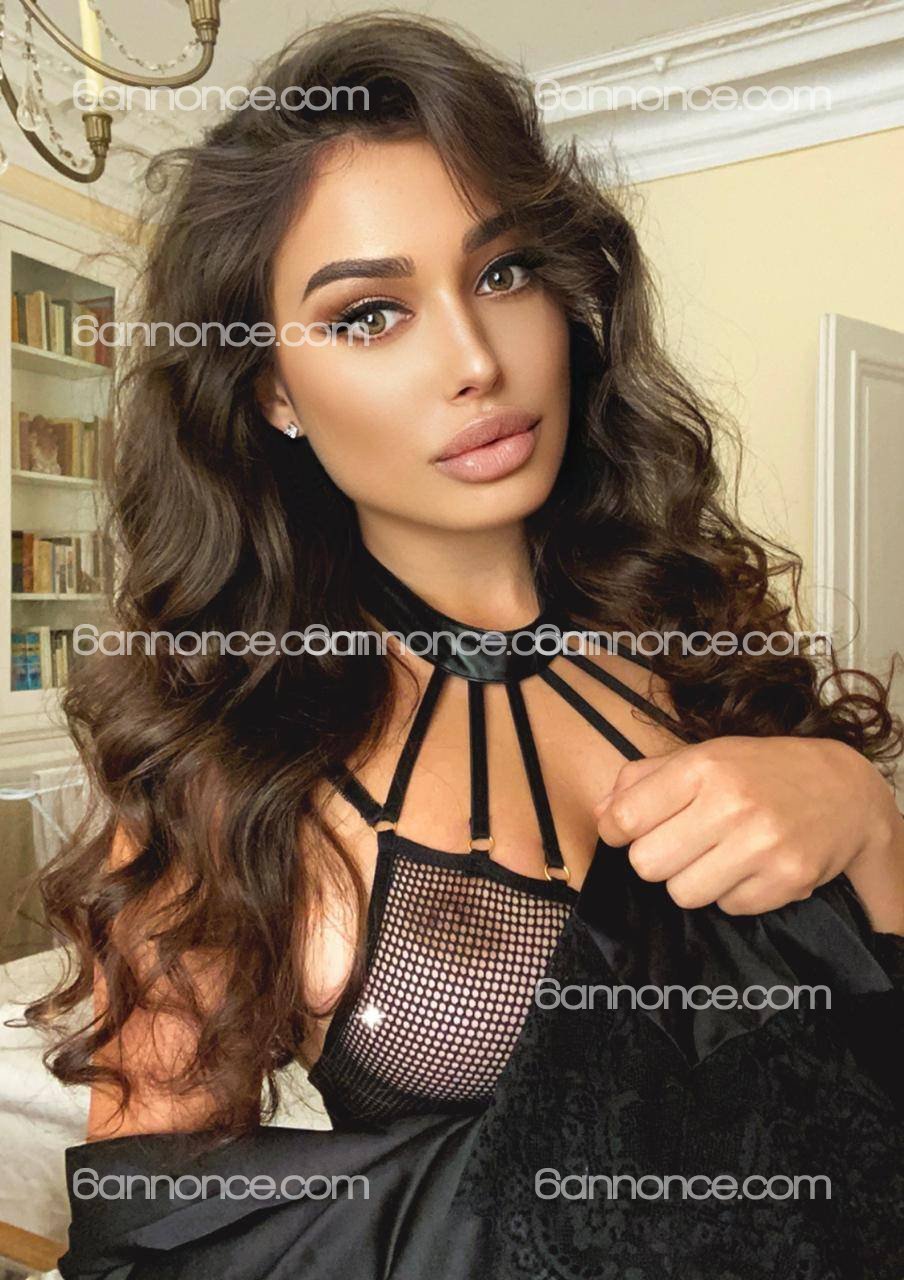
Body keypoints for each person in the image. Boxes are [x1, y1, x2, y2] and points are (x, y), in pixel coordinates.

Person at [21, 12, 903, 1278]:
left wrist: (866, 818)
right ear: (272, 389)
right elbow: (153, 1236)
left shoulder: (705, 635)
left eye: (502, 274)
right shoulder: (232, 771)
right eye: (370, 313)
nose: (476, 360)